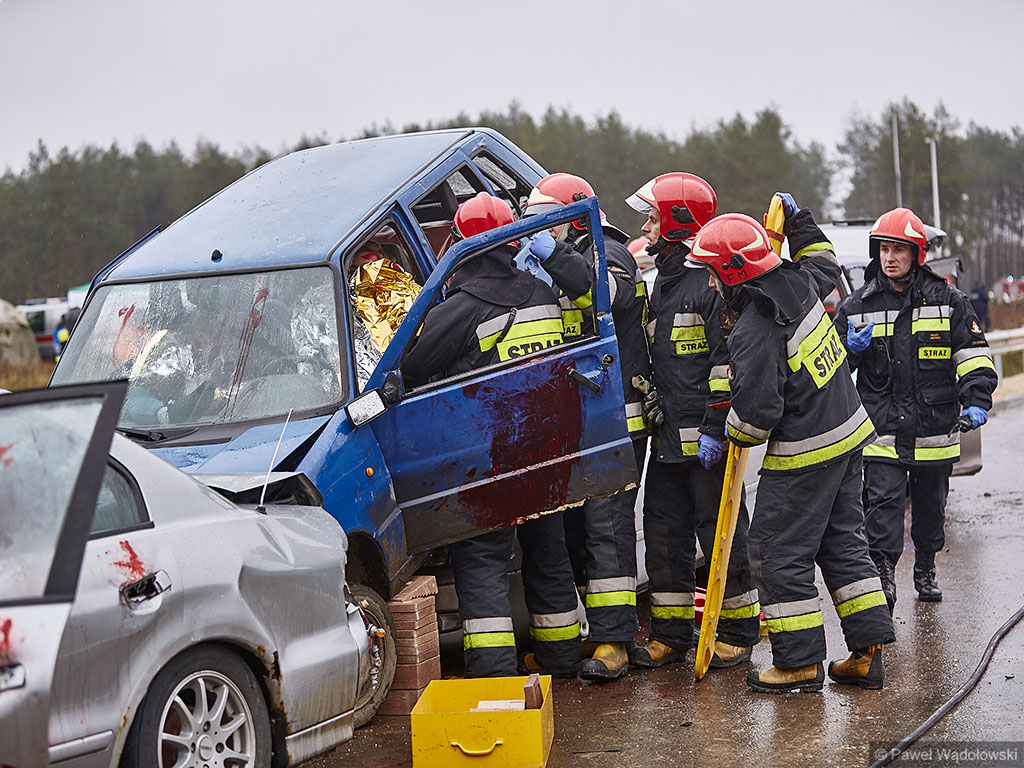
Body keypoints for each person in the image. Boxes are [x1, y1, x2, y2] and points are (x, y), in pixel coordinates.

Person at [687, 199, 895, 692]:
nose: (712, 285)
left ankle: (799, 663)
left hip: (807, 453)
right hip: (847, 436)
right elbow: (822, 260)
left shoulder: (756, 329)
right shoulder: (799, 282)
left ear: (735, 272)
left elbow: (758, 416)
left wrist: (726, 430)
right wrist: (799, 221)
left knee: (776, 554)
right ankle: (867, 654)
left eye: (714, 275)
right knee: (843, 545)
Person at [402, 192, 581, 678]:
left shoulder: (461, 307)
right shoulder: (542, 294)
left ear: (461, 242)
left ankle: (494, 673)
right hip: (545, 450)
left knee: (481, 560)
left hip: (488, 457)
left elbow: (412, 369)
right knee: (548, 549)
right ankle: (562, 661)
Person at [617, 173, 761, 672]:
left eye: (654, 217)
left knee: (719, 532)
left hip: (707, 444)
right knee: (663, 534)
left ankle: (741, 631)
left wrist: (715, 430)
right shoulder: (664, 284)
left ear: (679, 222)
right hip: (669, 445)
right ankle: (671, 635)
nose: (646, 226)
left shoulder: (710, 286)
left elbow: (727, 366)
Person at [518, 172, 650, 680]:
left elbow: (609, 294)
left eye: (543, 221)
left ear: (570, 217)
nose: (535, 230)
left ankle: (614, 642)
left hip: (614, 421)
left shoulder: (608, 250)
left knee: (608, 531)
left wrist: (552, 255)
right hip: (571, 424)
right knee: (570, 533)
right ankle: (569, 644)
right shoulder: (541, 261)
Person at [834, 209, 997, 607]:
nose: (890, 258)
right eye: (884, 249)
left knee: (929, 510)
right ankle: (885, 576)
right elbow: (829, 368)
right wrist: (847, 352)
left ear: (917, 254)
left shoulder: (948, 301)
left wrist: (976, 400)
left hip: (934, 430)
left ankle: (925, 567)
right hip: (881, 433)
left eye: (899, 250)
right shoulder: (857, 307)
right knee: (883, 506)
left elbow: (973, 357)